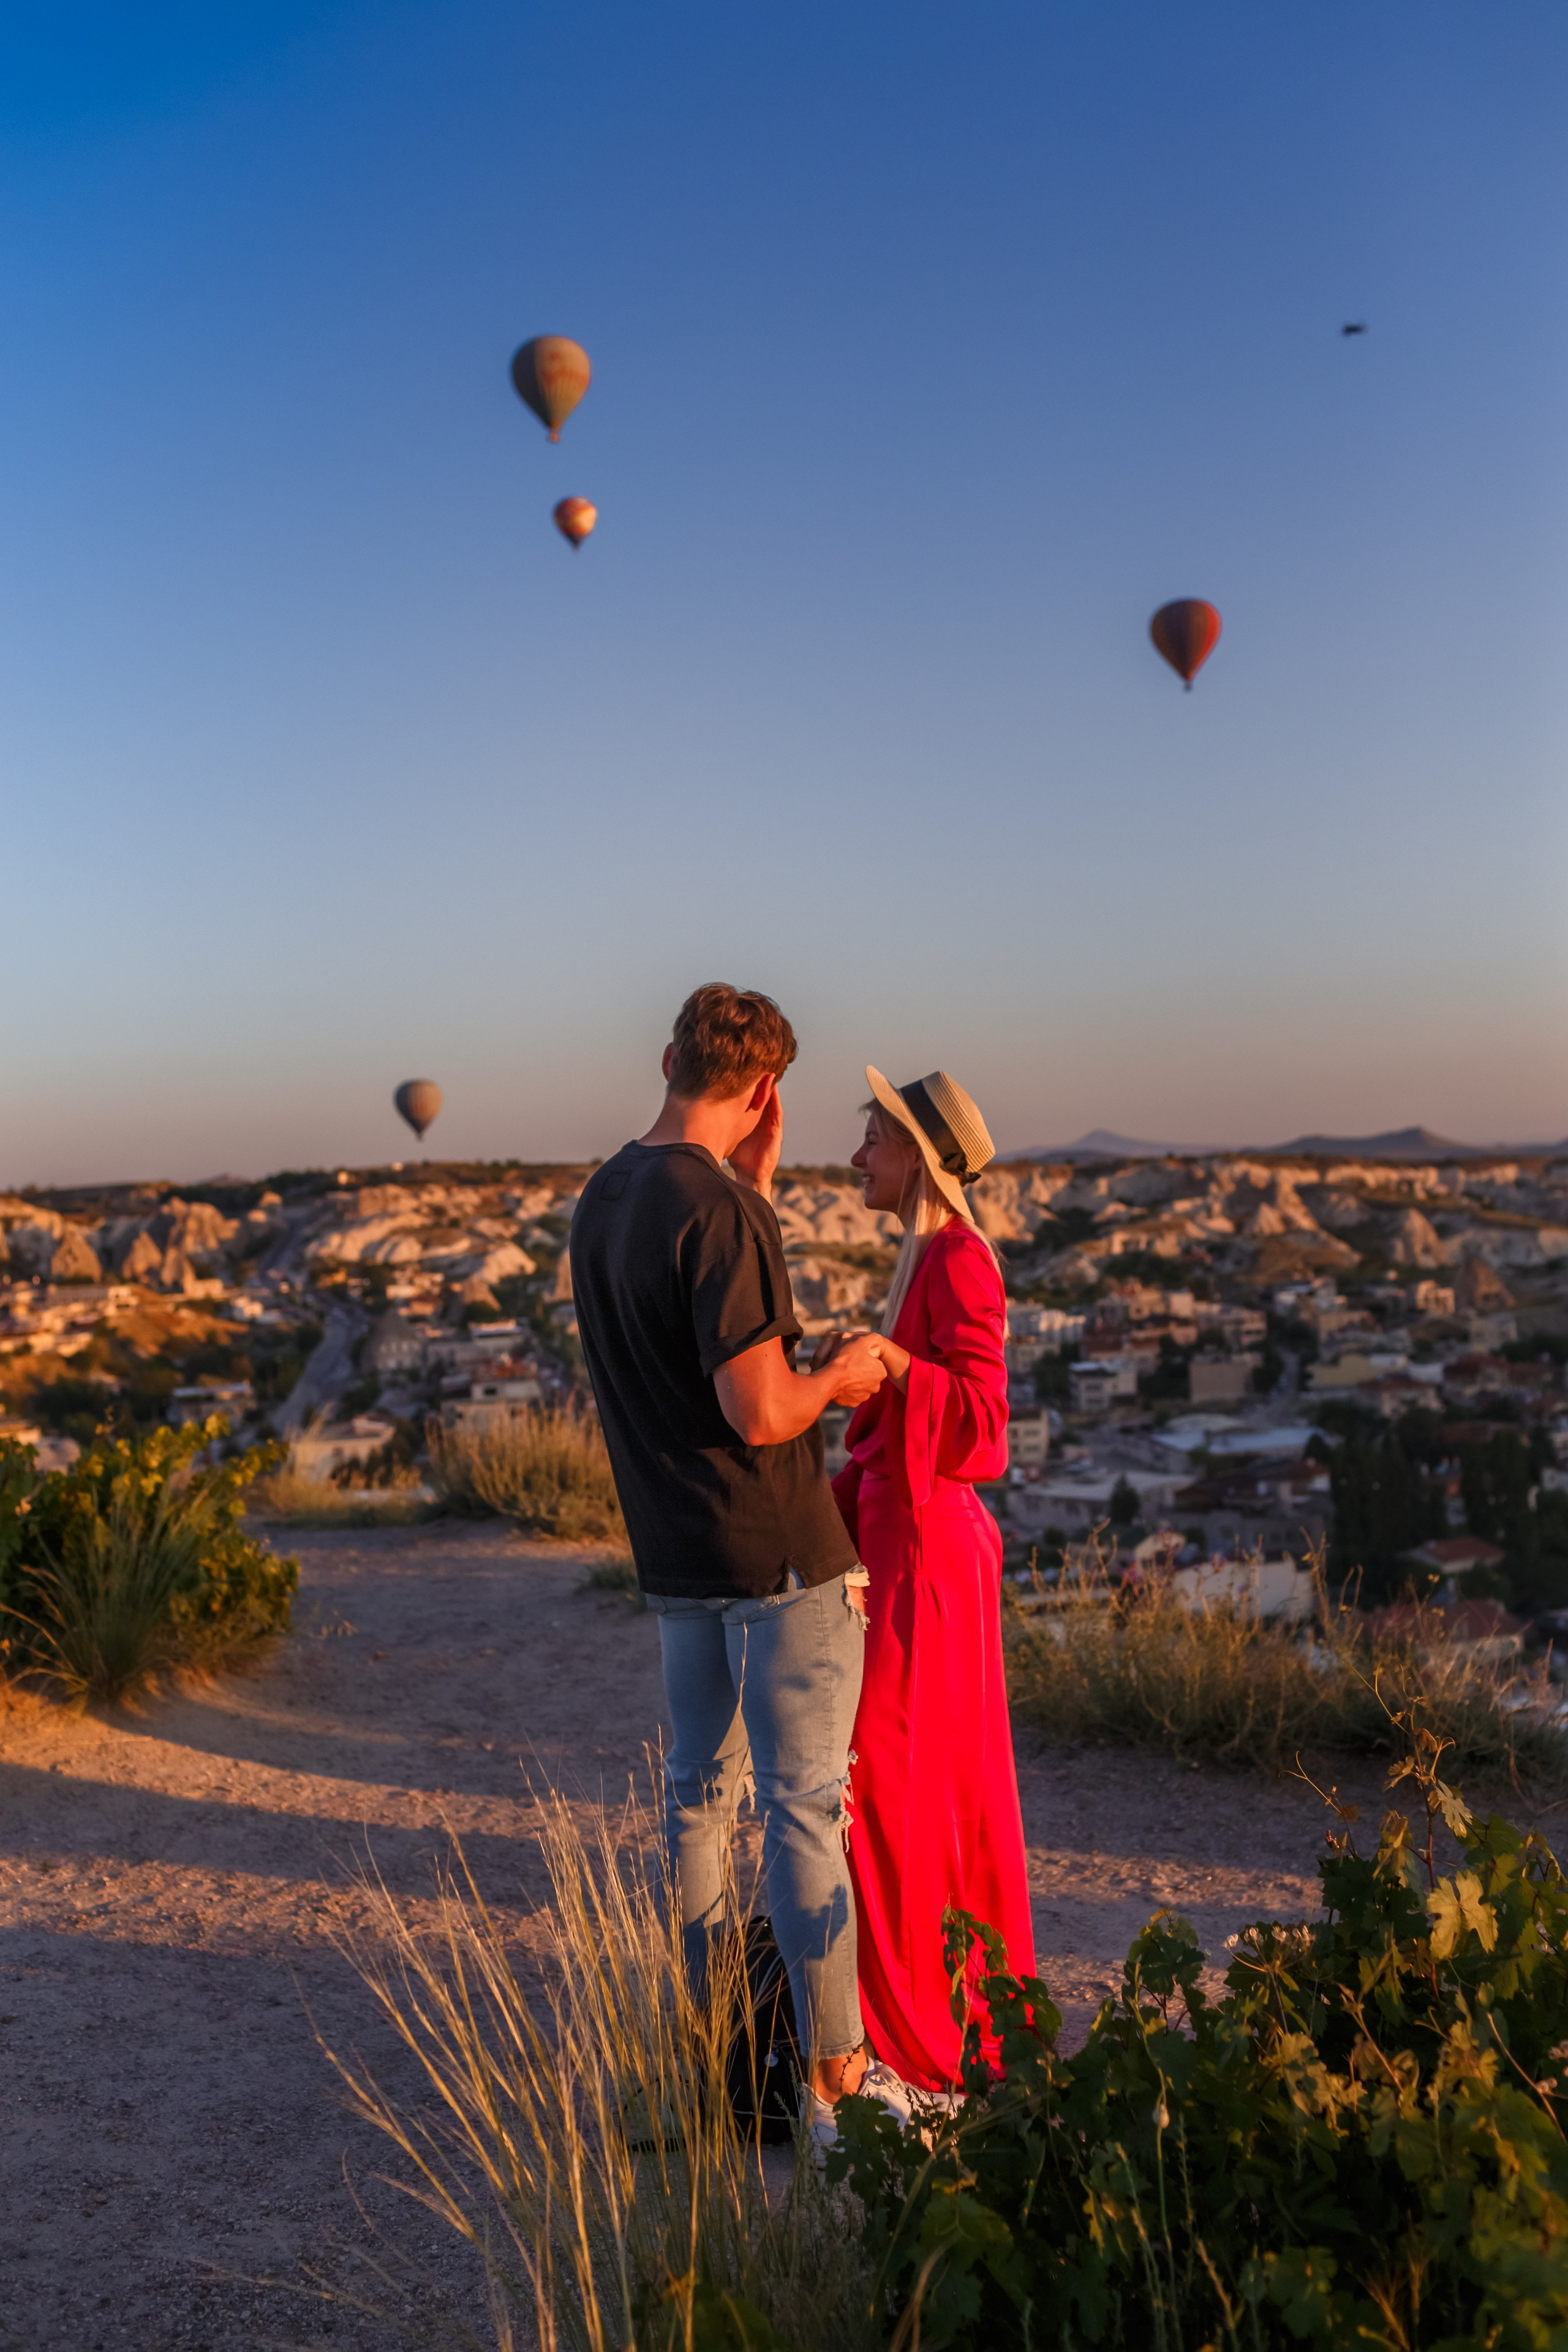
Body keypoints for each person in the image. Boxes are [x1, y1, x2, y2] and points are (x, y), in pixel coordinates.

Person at [569, 984, 913, 2143]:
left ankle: (715, 2058)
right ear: (767, 1089)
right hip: (777, 1557)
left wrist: (753, 1189)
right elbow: (760, 1409)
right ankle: (837, 2086)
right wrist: (843, 1379)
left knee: (697, 1810)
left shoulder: (607, 1196)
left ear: (668, 1059)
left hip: (677, 1557)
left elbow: (683, 1325)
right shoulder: (719, 1212)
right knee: (807, 1811)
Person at [826, 1066, 1036, 2092]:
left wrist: (896, 1367)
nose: (857, 1156)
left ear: (915, 1155)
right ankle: (914, 2015)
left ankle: (920, 2031)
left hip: (929, 1555)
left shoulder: (958, 1259)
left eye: (873, 1138)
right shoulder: (924, 1260)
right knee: (910, 1783)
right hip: (904, 1546)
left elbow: (986, 1429)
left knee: (892, 1781)